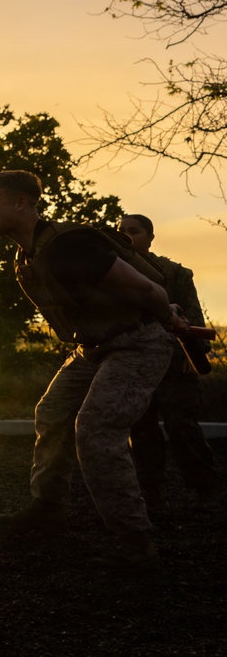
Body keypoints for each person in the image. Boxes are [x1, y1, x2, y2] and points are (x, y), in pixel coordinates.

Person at [0, 170, 185, 573]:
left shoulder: (69, 246)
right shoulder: (27, 254)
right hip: (93, 348)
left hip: (138, 341)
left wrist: (168, 316)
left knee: (96, 430)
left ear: (22, 203)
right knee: (52, 413)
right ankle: (48, 509)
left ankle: (135, 545)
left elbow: (147, 290)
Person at [118, 214, 219, 512]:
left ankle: (205, 490)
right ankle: (151, 494)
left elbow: (193, 316)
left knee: (182, 426)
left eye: (133, 231)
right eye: (121, 231)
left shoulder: (175, 273)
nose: (126, 236)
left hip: (175, 362)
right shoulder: (114, 272)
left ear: (150, 237)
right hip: (135, 362)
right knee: (141, 429)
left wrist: (194, 354)